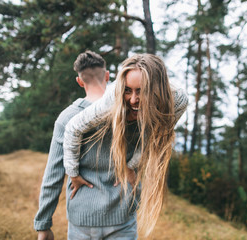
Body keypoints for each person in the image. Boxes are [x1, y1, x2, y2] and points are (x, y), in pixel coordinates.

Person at [63, 53, 188, 238]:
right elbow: (73, 128)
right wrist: (73, 173)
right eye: (128, 90)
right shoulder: (112, 98)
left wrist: (131, 166)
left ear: (157, 90)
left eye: (142, 91)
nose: (133, 100)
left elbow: (156, 138)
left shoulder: (176, 102)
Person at [33, 50, 110, 240]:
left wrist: (43, 224)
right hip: (121, 216)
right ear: (107, 76)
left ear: (80, 81)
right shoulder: (127, 112)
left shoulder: (67, 118)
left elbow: (53, 174)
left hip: (82, 219)